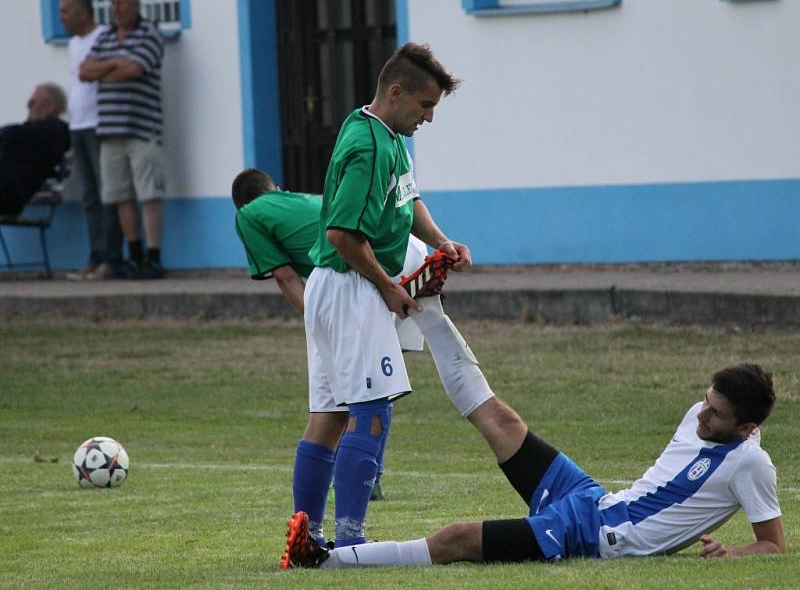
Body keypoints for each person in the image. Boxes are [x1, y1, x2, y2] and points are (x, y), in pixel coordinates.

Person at [282, 363, 784, 568]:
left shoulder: (750, 464)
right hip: (594, 500)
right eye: (705, 400)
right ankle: (430, 307)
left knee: (458, 537)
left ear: (744, 428)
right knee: (501, 418)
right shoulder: (700, 416)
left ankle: (325, 560)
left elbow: (774, 545)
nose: (701, 413)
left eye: (715, 413)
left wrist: (733, 552)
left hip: (596, 538)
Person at [287, 42, 471, 552]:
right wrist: (389, 287)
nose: (429, 117)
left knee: (329, 415)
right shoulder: (370, 146)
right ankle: (350, 541)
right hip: (351, 285)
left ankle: (307, 536)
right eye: (425, 105)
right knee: (372, 410)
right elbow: (343, 234)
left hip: (334, 288)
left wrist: (441, 242)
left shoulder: (381, 133)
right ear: (396, 92)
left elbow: (408, 199)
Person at [232, 168, 494, 514]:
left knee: (345, 398)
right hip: (408, 252)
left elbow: (285, 276)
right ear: (276, 188)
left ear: (241, 204)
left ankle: (344, 503)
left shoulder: (248, 216)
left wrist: (318, 321)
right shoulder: (304, 199)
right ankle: (372, 477)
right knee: (376, 386)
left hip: (369, 271)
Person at [79, 0, 166, 279]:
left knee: (148, 195)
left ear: (134, 5)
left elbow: (134, 69)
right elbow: (84, 71)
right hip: (110, 132)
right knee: (120, 196)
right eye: (112, 3)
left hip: (142, 129)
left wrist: (105, 70)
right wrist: (114, 65)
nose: (114, 8)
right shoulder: (104, 37)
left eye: (119, 3)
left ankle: (153, 258)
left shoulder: (149, 33)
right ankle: (135, 255)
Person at [59, 0, 124, 281]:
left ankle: (112, 257)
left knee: (107, 193)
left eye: (65, 12)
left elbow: (100, 71)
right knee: (88, 196)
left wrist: (96, 69)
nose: (61, 18)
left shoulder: (102, 37)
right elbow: (82, 74)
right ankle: (94, 256)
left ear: (83, 13)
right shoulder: (74, 44)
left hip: (100, 124)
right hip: (78, 125)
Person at [0, 84, 70, 216]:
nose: (28, 106)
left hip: (8, 197)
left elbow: (11, 134)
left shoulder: (52, 132)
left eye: (32, 102)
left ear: (51, 107)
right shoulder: (32, 133)